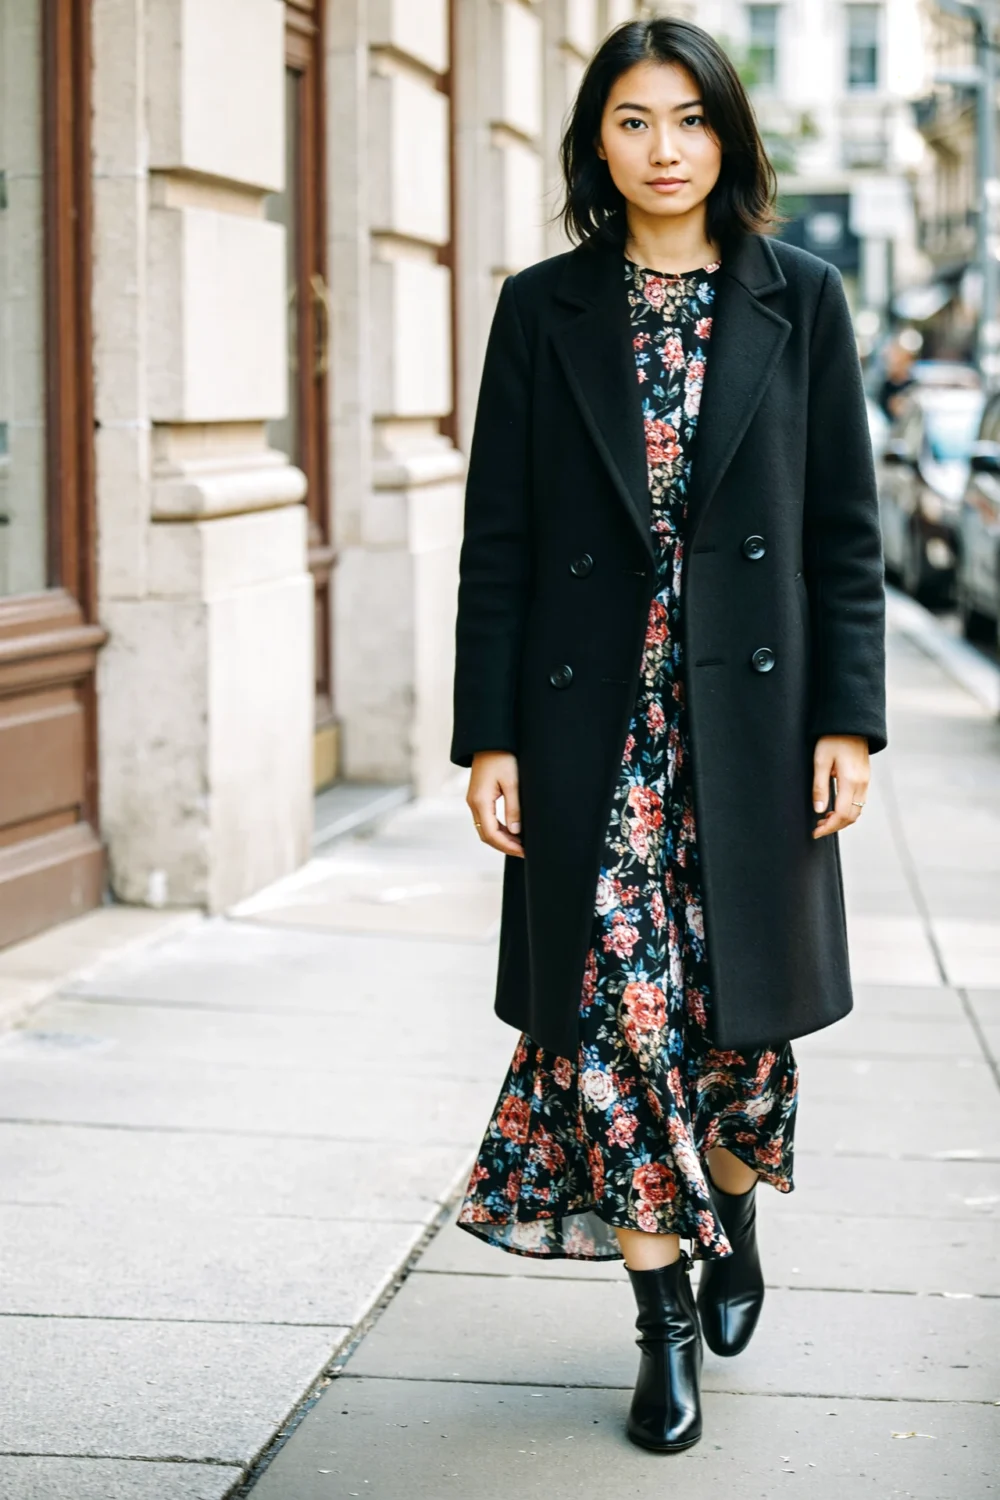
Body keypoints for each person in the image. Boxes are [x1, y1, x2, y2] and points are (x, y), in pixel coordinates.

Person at [450, 16, 886, 1455]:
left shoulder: (801, 300)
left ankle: (735, 1209)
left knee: (741, 1043)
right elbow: (498, 543)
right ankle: (658, 1333)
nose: (663, 149)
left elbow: (844, 538)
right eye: (633, 122)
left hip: (753, 733)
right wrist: (489, 735)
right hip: (597, 739)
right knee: (618, 1025)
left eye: (689, 120)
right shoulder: (543, 307)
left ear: (727, 138)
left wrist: (851, 722)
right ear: (596, 143)